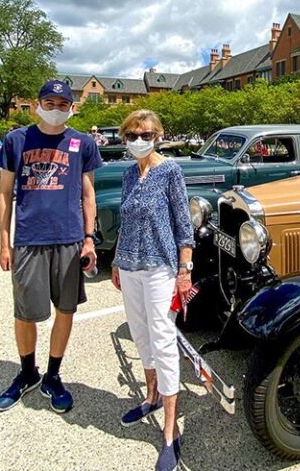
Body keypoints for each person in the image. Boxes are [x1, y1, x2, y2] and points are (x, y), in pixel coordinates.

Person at [0, 79, 102, 414]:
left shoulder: (82, 142)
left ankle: (53, 376)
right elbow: (4, 193)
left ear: (72, 107)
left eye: (62, 104)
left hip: (69, 240)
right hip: (29, 238)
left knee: (65, 311)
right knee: (25, 314)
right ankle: (27, 373)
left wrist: (88, 238)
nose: (56, 109)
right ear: (37, 104)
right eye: (49, 102)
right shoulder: (16, 140)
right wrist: (4, 243)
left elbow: (88, 194)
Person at [110, 109, 194, 471]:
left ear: (158, 135)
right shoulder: (130, 174)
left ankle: (170, 433)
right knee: (140, 334)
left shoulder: (170, 171)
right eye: (131, 135)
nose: (137, 140)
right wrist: (115, 261)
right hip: (129, 268)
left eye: (144, 134)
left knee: (162, 339)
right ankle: (151, 396)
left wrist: (184, 270)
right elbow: (126, 221)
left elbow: (183, 224)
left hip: (161, 267)